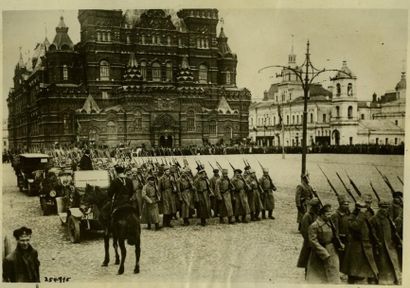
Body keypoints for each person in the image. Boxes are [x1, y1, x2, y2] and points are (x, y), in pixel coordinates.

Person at [341, 200, 378, 284]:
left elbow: (372, 229)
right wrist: (361, 214)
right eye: (362, 208)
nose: (365, 209)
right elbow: (355, 227)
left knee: (370, 270)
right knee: (355, 272)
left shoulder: (366, 215)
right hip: (356, 247)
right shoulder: (352, 217)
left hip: (367, 244)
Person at [306, 204, 340, 284]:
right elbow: (313, 241)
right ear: (322, 214)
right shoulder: (314, 225)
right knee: (318, 277)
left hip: (331, 250)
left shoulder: (330, 223)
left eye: (330, 214)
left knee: (333, 274)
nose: (329, 216)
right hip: (319, 253)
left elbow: (335, 236)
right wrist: (323, 253)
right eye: (328, 214)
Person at [369, 201, 401, 285]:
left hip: (390, 246)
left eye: (386, 207)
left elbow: (394, 231)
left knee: (393, 264)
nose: (385, 209)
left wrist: (397, 241)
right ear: (380, 207)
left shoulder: (388, 218)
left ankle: (395, 280)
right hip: (381, 247)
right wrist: (377, 243)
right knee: (383, 265)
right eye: (383, 207)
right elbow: (372, 233)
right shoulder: (374, 219)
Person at [297, 197, 321, 274]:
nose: (319, 207)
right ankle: (307, 272)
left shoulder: (318, 214)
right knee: (308, 257)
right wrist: (310, 240)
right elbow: (303, 230)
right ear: (314, 207)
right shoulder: (307, 216)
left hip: (316, 240)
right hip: (309, 241)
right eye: (317, 206)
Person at [330, 194, 351, 271]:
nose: (347, 205)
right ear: (340, 204)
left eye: (348, 204)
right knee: (340, 257)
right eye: (345, 204)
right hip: (340, 240)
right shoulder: (336, 215)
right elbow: (335, 230)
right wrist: (339, 242)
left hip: (348, 239)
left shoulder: (348, 214)